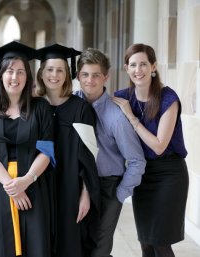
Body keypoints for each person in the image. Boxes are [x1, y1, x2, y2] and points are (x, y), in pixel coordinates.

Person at [0, 41, 55, 257]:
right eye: (10, 71)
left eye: (21, 72)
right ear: (0, 75)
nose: (15, 77)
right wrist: (12, 186)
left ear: (27, 77)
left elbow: (47, 150)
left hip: (33, 187)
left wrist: (26, 181)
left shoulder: (41, 108)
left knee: (33, 245)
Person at [113, 43, 189, 257]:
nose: (139, 70)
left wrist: (132, 117)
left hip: (169, 174)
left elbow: (158, 146)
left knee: (161, 242)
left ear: (153, 67)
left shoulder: (168, 98)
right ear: (126, 68)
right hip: (142, 176)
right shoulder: (122, 97)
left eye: (144, 64)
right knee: (146, 242)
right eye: (133, 64)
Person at [75, 48, 146, 257]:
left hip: (107, 186)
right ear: (78, 76)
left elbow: (136, 161)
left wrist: (119, 196)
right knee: (76, 244)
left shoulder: (116, 117)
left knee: (100, 248)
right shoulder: (70, 105)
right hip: (77, 183)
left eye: (96, 75)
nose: (90, 80)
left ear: (106, 76)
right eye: (85, 74)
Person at [35, 43, 100, 257]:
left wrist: (86, 194)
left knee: (69, 244)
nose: (54, 75)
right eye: (50, 69)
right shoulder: (33, 106)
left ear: (67, 74)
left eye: (60, 70)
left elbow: (89, 158)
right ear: (41, 74)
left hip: (70, 189)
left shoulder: (81, 109)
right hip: (38, 189)